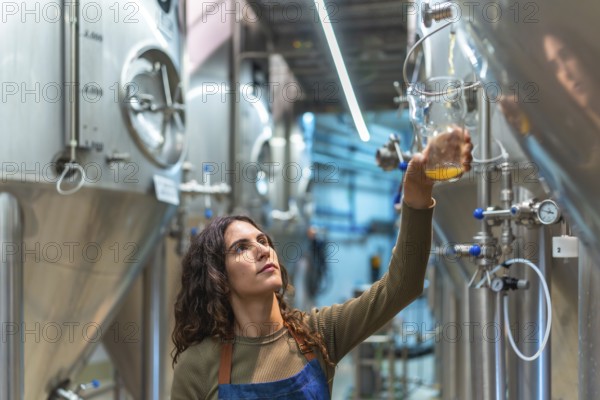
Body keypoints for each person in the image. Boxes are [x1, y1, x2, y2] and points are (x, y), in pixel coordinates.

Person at [170, 135, 473, 399]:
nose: (263, 250)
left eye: (263, 240)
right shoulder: (198, 365)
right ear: (217, 276)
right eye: (241, 248)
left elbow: (403, 284)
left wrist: (418, 194)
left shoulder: (316, 334)